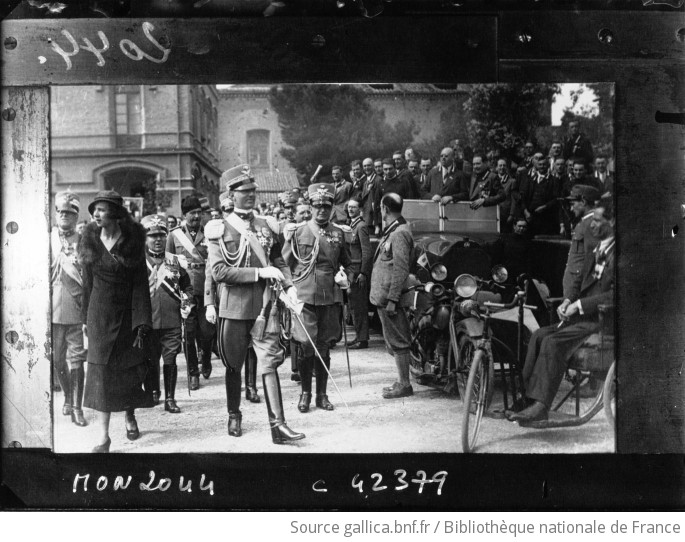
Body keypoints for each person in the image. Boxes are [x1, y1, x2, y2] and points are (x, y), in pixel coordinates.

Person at [206, 165, 305, 443]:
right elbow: (219, 272)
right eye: (244, 191)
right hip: (234, 308)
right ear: (231, 195)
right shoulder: (218, 229)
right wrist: (259, 273)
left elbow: (278, 260)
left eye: (253, 190)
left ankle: (278, 426)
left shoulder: (266, 225)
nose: (250, 195)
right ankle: (234, 414)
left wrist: (289, 286)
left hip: (265, 308)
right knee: (234, 365)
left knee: (269, 363)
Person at [508, 197, 615, 424]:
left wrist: (580, 305)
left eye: (598, 221)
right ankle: (527, 399)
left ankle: (541, 406)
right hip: (583, 317)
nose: (592, 226)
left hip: (602, 320)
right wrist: (568, 301)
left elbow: (618, 295)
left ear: (612, 223)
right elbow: (580, 282)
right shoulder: (597, 249)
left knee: (552, 342)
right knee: (538, 335)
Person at [78, 190, 153, 452]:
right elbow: (87, 283)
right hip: (99, 315)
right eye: (94, 210)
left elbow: (141, 285)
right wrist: (85, 316)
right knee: (100, 374)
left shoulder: (131, 243)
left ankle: (130, 414)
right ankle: (103, 437)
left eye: (102, 209)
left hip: (127, 318)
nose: (96, 214)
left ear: (116, 213)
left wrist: (142, 322)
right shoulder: (89, 241)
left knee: (126, 370)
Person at [282, 183, 352, 413]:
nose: (322, 210)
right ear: (310, 206)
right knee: (305, 345)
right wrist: (289, 289)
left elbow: (349, 263)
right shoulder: (298, 231)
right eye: (317, 205)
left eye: (326, 206)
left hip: (329, 295)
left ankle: (322, 395)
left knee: (323, 345)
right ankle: (305, 394)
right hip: (304, 295)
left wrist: (345, 278)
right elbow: (285, 264)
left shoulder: (338, 233)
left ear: (332, 207)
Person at [141, 214, 193, 413]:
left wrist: (187, 302)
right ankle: (153, 391)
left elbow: (187, 287)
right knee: (150, 358)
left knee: (170, 358)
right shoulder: (139, 263)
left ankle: (170, 398)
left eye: (161, 235)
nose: (157, 240)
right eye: (152, 236)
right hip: (147, 321)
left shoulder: (175, 261)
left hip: (172, 320)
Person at [166, 195, 215, 388]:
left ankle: (207, 358)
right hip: (185, 290)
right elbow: (170, 265)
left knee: (207, 331)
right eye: (191, 213)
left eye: (198, 213)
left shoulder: (209, 234)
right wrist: (176, 291)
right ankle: (193, 372)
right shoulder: (174, 235)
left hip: (206, 288)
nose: (196, 217)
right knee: (189, 332)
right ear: (184, 215)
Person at [371, 193, 415, 399]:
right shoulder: (394, 230)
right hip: (385, 297)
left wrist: (393, 299)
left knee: (398, 341)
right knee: (394, 341)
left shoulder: (399, 233)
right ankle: (401, 380)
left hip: (391, 299)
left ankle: (404, 384)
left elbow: (400, 269)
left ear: (384, 209)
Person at [51, 191, 88, 427]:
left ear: (76, 216)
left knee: (76, 358)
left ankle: (77, 407)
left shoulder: (84, 241)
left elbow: (90, 274)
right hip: (52, 308)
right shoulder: (48, 240)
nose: (64, 216)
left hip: (76, 307)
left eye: (69, 213)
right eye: (61, 212)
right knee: (56, 359)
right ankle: (66, 396)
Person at [560, 185, 600, 303]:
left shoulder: (591, 224)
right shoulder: (584, 223)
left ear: (583, 201)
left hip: (578, 290)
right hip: (574, 288)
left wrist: (572, 295)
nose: (571, 209)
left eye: (573, 204)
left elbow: (589, 262)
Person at [345, 198, 372, 349]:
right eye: (349, 207)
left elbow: (367, 252)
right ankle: (359, 336)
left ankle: (362, 339)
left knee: (359, 306)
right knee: (353, 306)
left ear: (360, 210)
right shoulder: (351, 225)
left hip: (357, 271)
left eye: (354, 208)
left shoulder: (361, 226)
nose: (351, 210)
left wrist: (363, 272)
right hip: (351, 270)